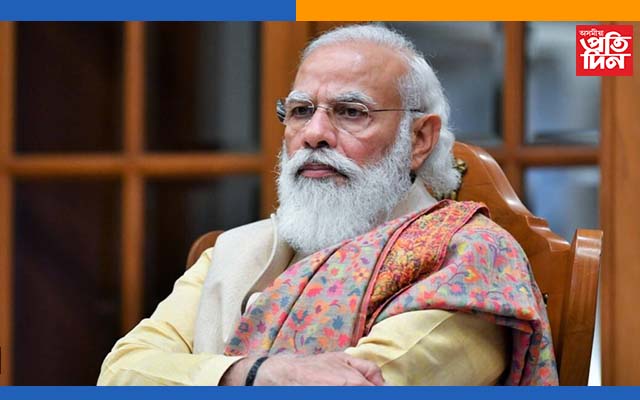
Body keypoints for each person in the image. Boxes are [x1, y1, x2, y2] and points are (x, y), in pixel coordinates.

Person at [98, 24, 557, 386]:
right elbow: (120, 373)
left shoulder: (471, 258)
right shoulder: (235, 252)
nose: (314, 134)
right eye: (301, 111)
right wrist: (258, 374)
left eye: (351, 112)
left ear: (419, 139)